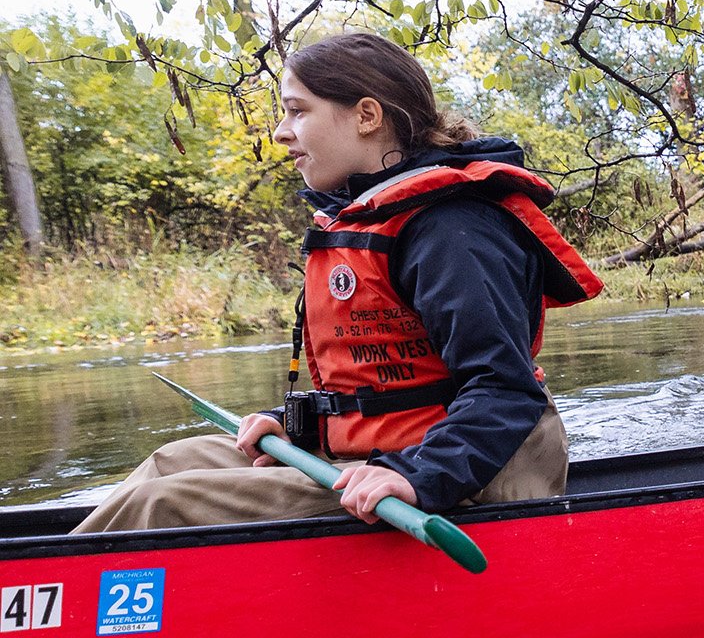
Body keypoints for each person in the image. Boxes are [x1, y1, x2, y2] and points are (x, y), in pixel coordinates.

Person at [73, 33, 602, 532]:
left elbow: (504, 390)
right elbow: (385, 388)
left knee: (161, 504)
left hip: (463, 476)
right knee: (171, 462)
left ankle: (52, 613)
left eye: (297, 110)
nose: (281, 131)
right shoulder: (366, 218)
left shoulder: (452, 230)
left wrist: (415, 475)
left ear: (367, 116)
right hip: (388, 455)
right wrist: (295, 427)